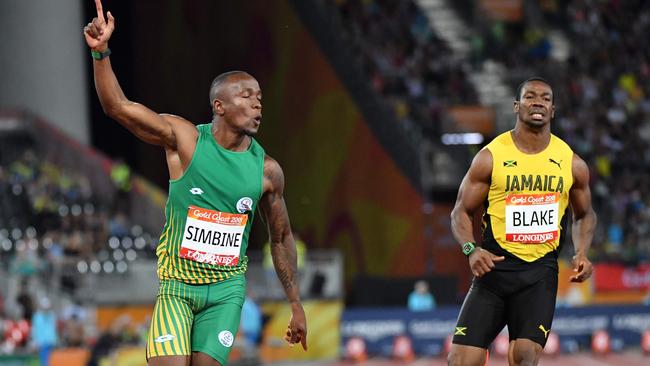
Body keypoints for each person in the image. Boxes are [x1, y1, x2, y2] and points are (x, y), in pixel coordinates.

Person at [83, 1, 308, 365]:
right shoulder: (184, 140)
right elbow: (118, 107)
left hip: (226, 292)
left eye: (260, 98)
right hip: (177, 288)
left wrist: (295, 304)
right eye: (246, 96)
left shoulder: (267, 171)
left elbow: (281, 238)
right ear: (219, 106)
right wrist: (101, 54)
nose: (257, 105)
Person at [447, 77, 596, 366]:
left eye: (545, 98)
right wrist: (470, 249)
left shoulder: (571, 162)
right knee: (461, 361)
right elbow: (459, 212)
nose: (538, 101)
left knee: (525, 356)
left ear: (553, 110)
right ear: (517, 106)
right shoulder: (491, 157)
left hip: (540, 274)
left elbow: (585, 214)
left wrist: (581, 252)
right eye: (530, 96)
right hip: (495, 272)